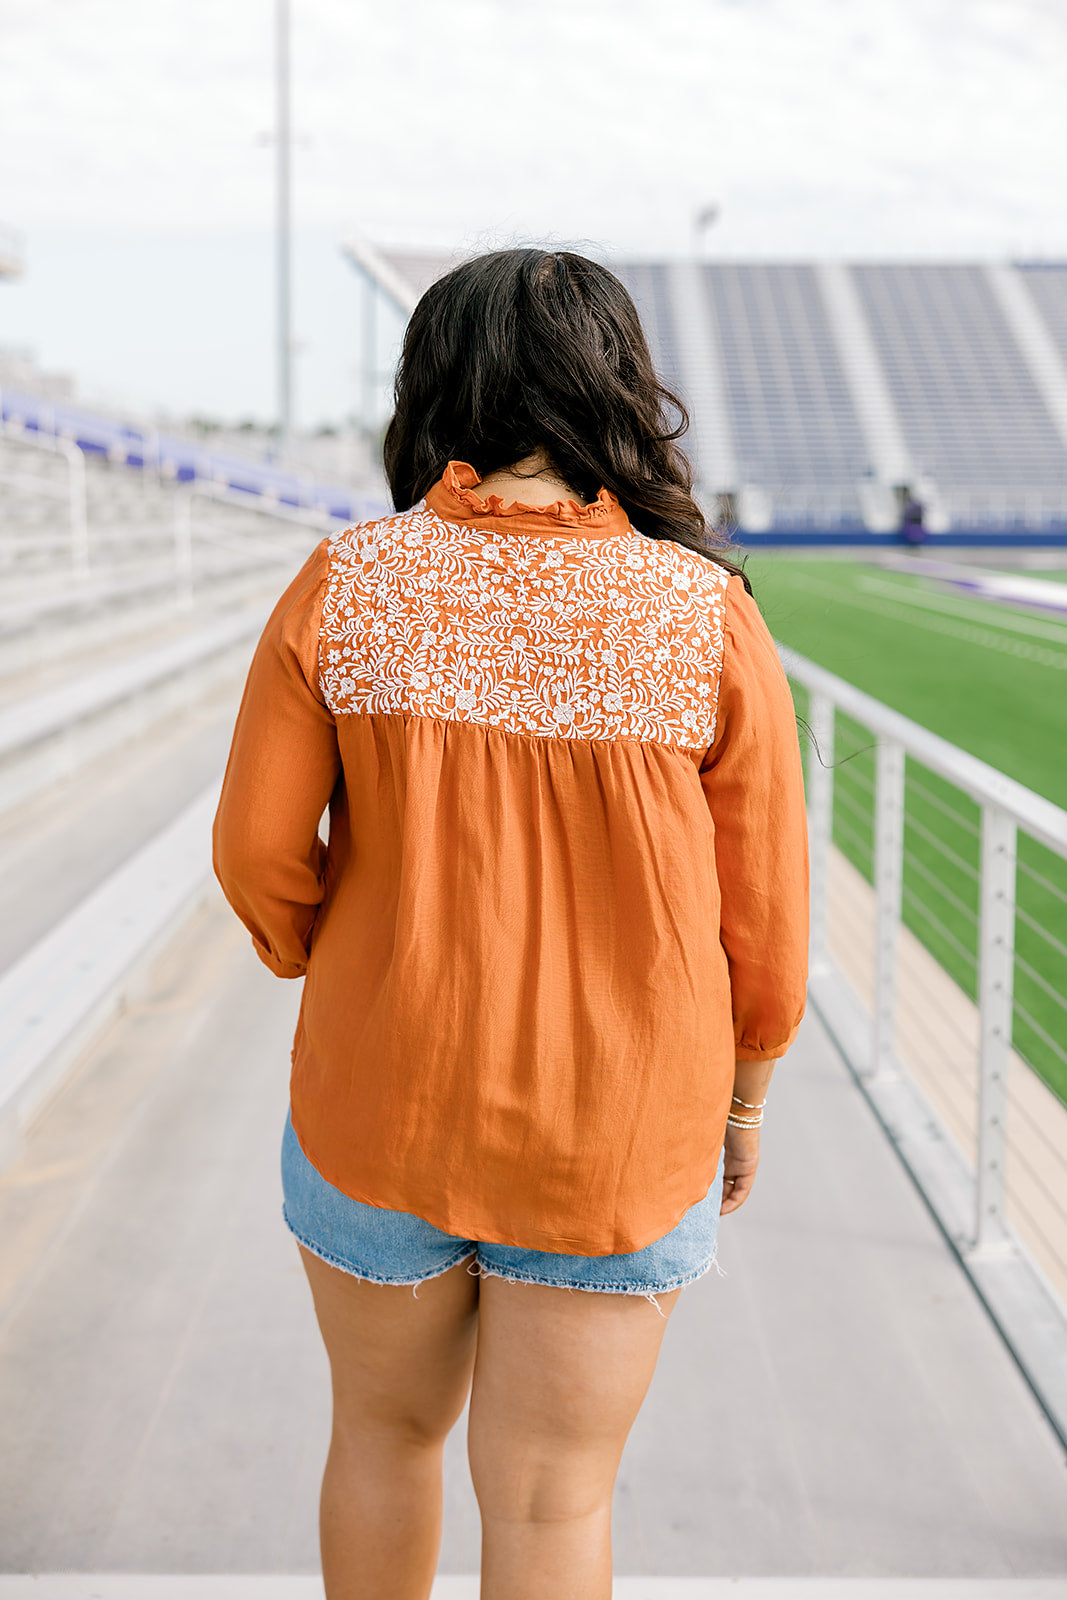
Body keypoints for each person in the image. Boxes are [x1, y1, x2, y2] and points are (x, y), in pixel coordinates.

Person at [213, 247, 809, 1600]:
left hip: (380, 1103)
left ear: (439, 383)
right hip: (616, 1132)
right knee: (552, 1503)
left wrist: (334, 952)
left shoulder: (348, 582)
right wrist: (749, 1100)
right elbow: (766, 921)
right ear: (615, 387)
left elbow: (256, 852)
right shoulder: (704, 612)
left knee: (379, 1440)